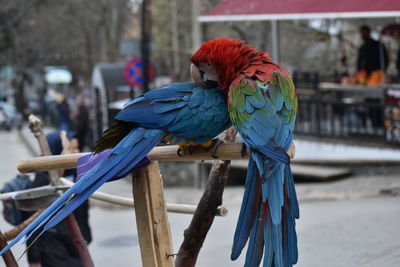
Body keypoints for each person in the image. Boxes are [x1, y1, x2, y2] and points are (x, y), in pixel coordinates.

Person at [26, 130, 91, 267]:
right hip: (51, 252)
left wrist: (85, 238)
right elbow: (32, 227)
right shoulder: (41, 182)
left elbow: (83, 217)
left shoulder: (78, 178)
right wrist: (34, 260)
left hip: (75, 251)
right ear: (58, 151)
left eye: (77, 147)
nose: (76, 152)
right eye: (71, 148)